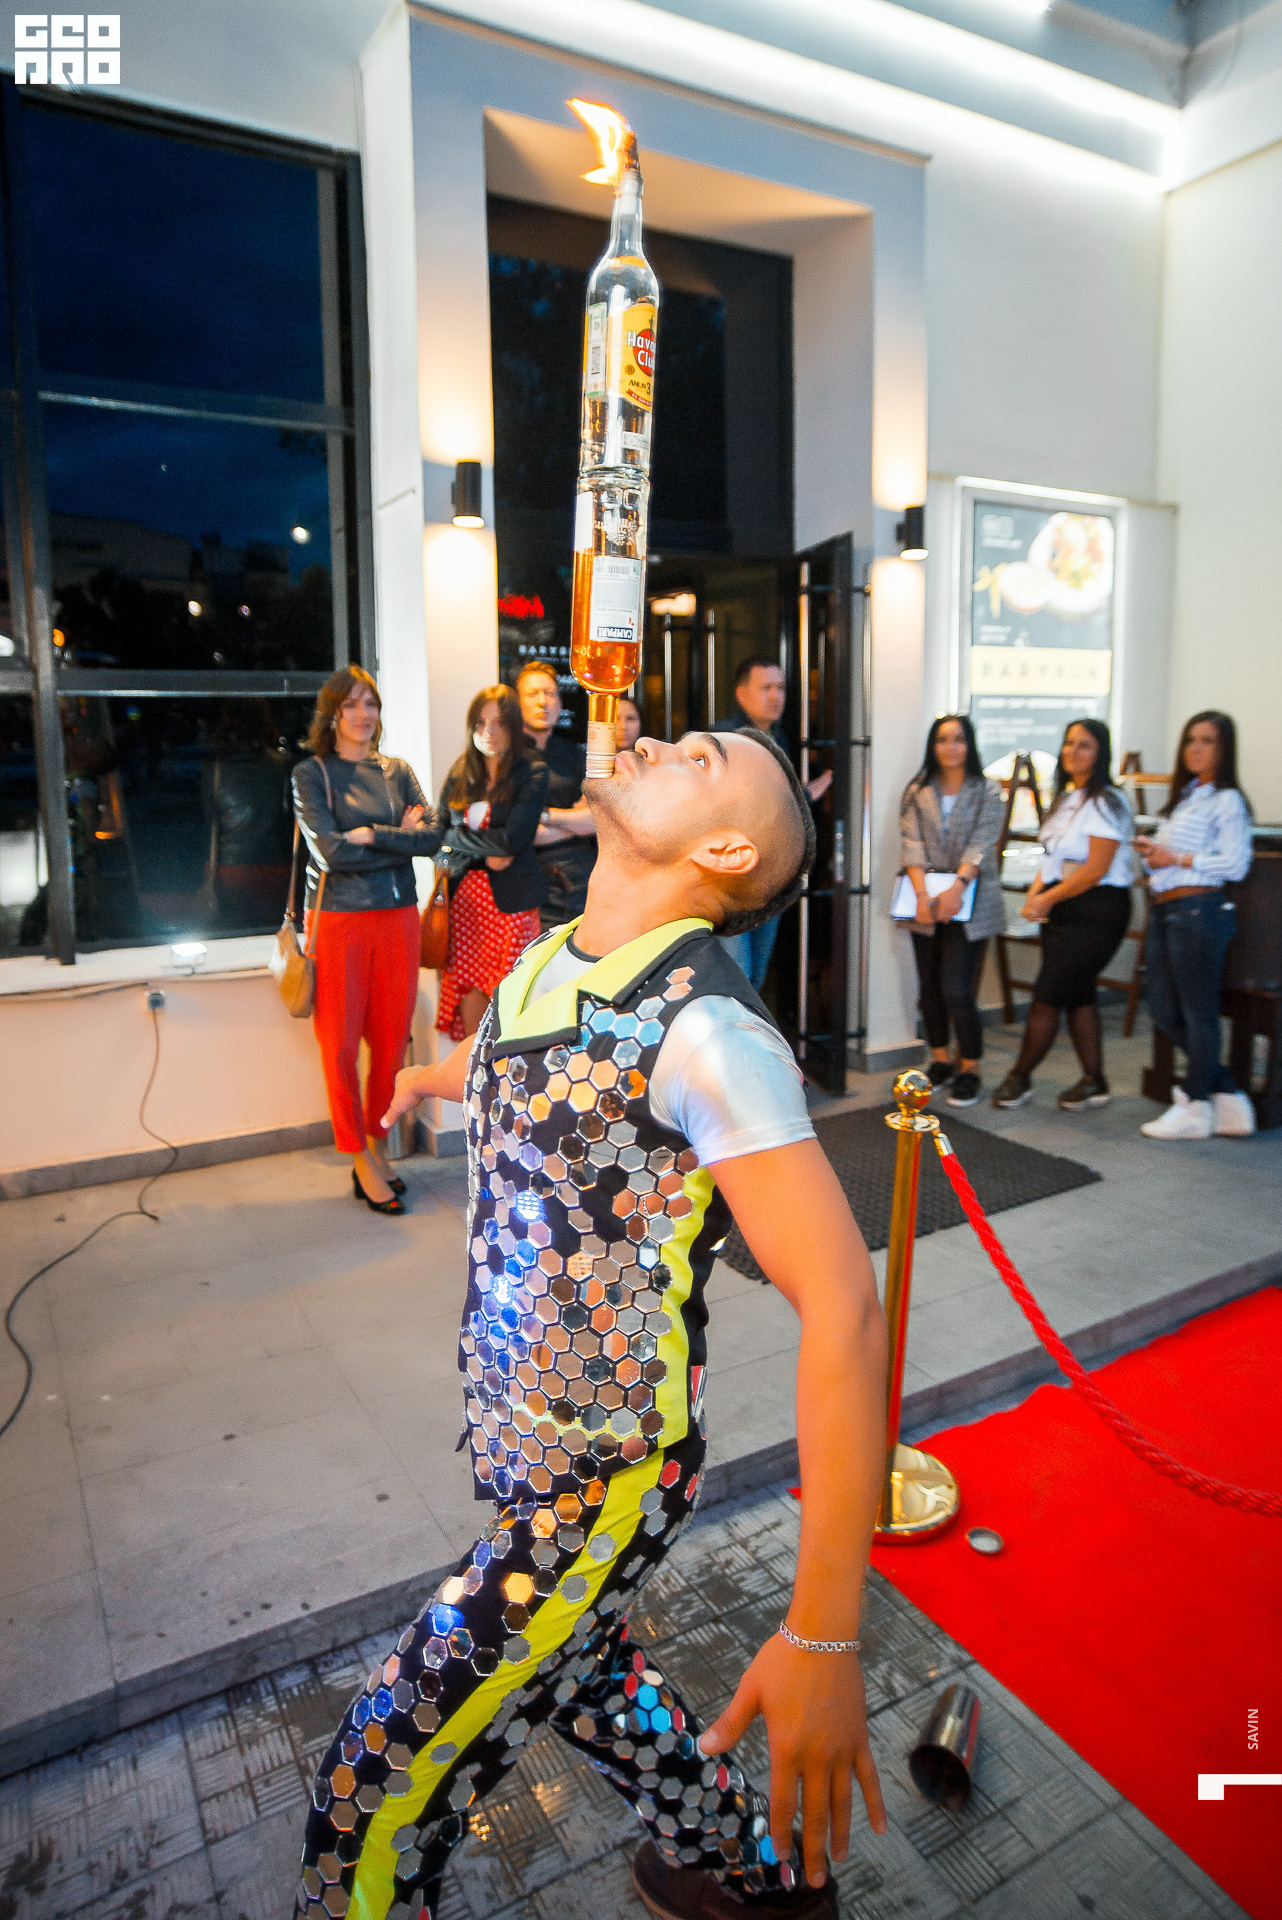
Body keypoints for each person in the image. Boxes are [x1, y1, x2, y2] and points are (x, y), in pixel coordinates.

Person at [296, 723, 890, 1920]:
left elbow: (844, 1308)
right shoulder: (542, 959)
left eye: (704, 756)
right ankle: (755, 1872)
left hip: (604, 1478)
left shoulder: (711, 1032)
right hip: (523, 1443)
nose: (660, 739)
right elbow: (526, 1080)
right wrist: (426, 1081)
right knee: (591, 1684)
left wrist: (823, 1634)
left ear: (726, 851)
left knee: (370, 1790)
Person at [293, 667, 441, 1216]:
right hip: (337, 920)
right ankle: (357, 1154)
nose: (363, 714)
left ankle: (378, 1145)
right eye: (351, 704)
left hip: (398, 917)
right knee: (338, 1046)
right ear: (332, 714)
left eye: (370, 703)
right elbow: (331, 853)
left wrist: (374, 834)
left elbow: (433, 838)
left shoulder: (397, 771)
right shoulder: (311, 774)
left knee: (390, 1041)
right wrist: (399, 839)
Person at [991, 718, 1134, 1112]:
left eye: (1084, 745)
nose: (1073, 751)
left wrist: (1048, 898)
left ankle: (1019, 1077)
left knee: (1047, 996)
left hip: (1098, 908)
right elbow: (1053, 859)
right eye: (1069, 743)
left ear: (1100, 752)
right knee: (1079, 995)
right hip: (1064, 906)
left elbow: (1095, 870)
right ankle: (1094, 1080)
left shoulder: (1108, 801)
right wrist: (1037, 894)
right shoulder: (1067, 798)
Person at [1136, 711, 1255, 1140]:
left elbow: (1235, 864)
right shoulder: (1186, 797)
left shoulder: (1227, 800)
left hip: (1199, 911)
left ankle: (1195, 1103)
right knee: (1163, 1010)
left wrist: (1177, 858)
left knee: (1197, 1012)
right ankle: (1226, 1092)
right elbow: (1173, 858)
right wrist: (1155, 854)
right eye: (1190, 740)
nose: (1196, 748)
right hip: (1167, 909)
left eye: (1208, 741)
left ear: (1225, 749)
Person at [898, 715, 1004, 1107]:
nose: (951, 747)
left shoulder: (987, 790)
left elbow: (982, 843)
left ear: (970, 745)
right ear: (933, 745)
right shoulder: (918, 789)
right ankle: (941, 1059)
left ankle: (970, 1066)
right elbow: (911, 844)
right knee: (928, 988)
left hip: (970, 898)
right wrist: (922, 895)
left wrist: (956, 888)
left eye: (959, 739)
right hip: (923, 898)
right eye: (943, 739)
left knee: (956, 988)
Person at [435, 684, 549, 1041]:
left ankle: (507, 1075)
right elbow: (438, 836)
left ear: (514, 726)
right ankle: (474, 1073)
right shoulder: (461, 772)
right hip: (465, 906)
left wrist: (457, 839)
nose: (489, 731)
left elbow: (514, 839)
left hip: (511, 904)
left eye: (499, 723)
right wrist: (482, 849)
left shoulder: (532, 770)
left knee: (511, 1000)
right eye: (480, 723)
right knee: (469, 991)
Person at [712, 658, 833, 990]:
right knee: (737, 975)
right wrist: (804, 794)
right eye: (766, 688)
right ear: (741, 694)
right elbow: (741, 800)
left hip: (770, 874)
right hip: (732, 878)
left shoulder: (780, 735)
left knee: (756, 976)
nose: (776, 696)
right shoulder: (725, 737)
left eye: (780, 688)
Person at [516, 658, 598, 930]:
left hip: (584, 878)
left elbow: (597, 819)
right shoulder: (507, 759)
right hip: (531, 881)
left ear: (560, 704)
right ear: (517, 704)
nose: (543, 702)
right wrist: (574, 820)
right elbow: (518, 833)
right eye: (533, 694)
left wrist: (544, 816)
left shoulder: (575, 754)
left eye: (550, 694)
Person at [200, 699, 295, 930]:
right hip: (276, 866)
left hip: (231, 868)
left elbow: (210, 820)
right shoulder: (283, 765)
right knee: (274, 933)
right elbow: (290, 819)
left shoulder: (214, 769)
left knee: (233, 933)